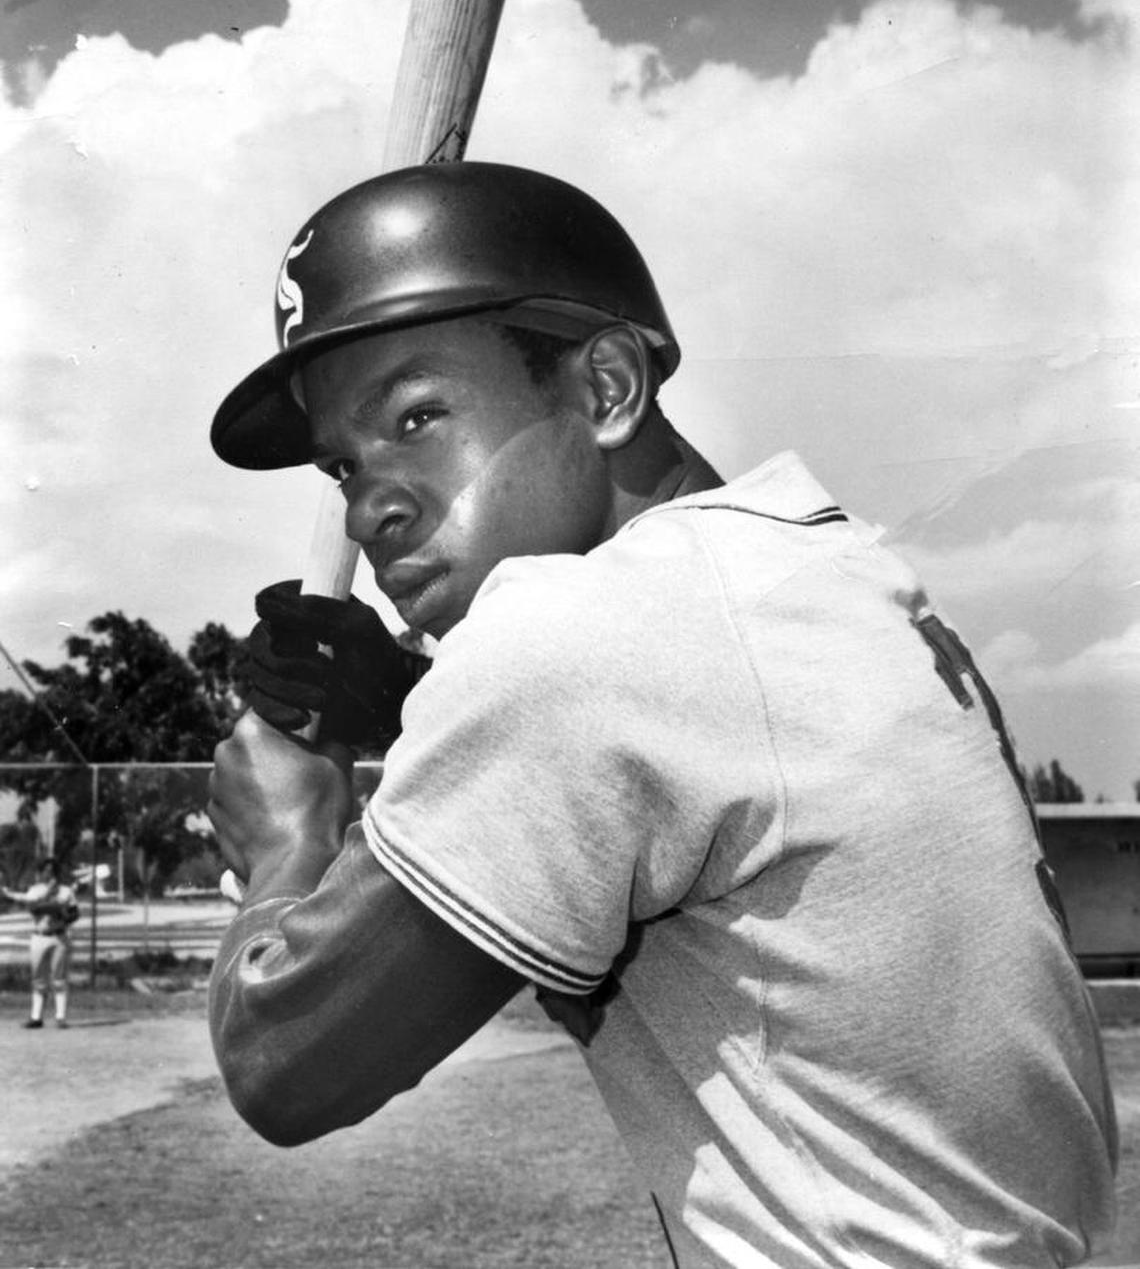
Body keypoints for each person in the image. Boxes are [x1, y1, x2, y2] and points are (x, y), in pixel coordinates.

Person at [206, 162, 1118, 1267]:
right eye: (344, 463)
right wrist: (407, 711)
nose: (369, 507)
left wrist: (287, 837)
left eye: (419, 416)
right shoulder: (826, 571)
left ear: (606, 388)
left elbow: (286, 1061)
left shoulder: (574, 632)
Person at [3, 855, 80, 1028]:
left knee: (59, 978)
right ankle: (36, 1017)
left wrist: (64, 917)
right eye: (45, 871)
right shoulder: (35, 890)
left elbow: (74, 913)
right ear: (40, 873)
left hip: (59, 936)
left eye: (52, 871)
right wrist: (52, 903)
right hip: (40, 936)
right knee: (38, 978)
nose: (49, 874)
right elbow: (33, 908)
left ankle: (60, 1017)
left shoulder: (66, 891)